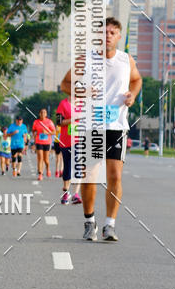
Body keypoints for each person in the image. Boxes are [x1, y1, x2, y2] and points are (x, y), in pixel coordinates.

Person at [60, 16, 142, 241]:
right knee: (90, 176)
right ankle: (89, 222)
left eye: (112, 32)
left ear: (118, 36)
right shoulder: (84, 60)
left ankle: (110, 225)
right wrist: (83, 91)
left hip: (117, 126)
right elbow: (65, 84)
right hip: (91, 126)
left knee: (115, 176)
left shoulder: (126, 60)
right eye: (104, 32)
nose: (107, 36)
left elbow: (136, 80)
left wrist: (132, 95)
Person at [55, 96, 81, 205]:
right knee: (68, 166)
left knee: (78, 166)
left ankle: (75, 194)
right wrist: (72, 120)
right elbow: (59, 122)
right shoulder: (63, 104)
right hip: (66, 141)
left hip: (80, 140)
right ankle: (66, 192)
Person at [32, 108, 55, 180]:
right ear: (39, 114)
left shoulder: (49, 122)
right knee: (40, 158)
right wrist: (34, 134)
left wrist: (47, 133)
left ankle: (48, 168)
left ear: (46, 114)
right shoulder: (36, 122)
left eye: (44, 112)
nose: (43, 114)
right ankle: (40, 173)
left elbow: (54, 132)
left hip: (47, 142)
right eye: (41, 112)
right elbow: (33, 130)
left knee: (46, 160)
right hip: (39, 141)